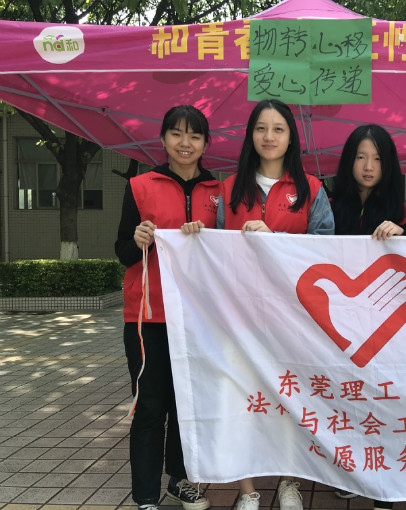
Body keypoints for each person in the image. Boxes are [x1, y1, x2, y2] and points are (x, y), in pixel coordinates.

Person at [183, 99, 333, 510]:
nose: (269, 136)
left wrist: (275, 240)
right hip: (238, 316)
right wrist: (194, 236)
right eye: (261, 128)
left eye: (278, 129)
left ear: (291, 137)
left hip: (293, 316)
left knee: (291, 399)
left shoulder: (312, 189)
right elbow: (213, 251)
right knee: (240, 399)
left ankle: (289, 482)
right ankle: (247, 490)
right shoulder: (228, 189)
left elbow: (326, 250)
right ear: (250, 136)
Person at [115, 105, 215, 510]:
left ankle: (180, 479)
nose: (185, 143)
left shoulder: (220, 191)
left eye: (194, 135)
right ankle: (145, 495)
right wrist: (139, 239)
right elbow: (123, 250)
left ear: (206, 143)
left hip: (199, 318)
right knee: (150, 406)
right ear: (163, 138)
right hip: (148, 317)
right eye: (176, 133)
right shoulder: (140, 186)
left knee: (188, 403)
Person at [329, 123, 406, 510]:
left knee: (383, 398)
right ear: (349, 161)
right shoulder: (330, 205)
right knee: (347, 396)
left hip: (383, 323)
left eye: (377, 158)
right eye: (360, 157)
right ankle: (353, 471)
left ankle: (383, 485)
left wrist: (402, 232)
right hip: (341, 322)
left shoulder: (401, 210)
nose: (368, 166)